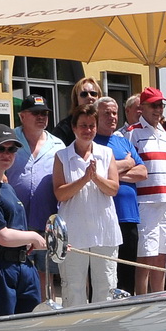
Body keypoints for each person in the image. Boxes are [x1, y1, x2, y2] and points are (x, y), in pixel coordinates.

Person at [0, 126, 47, 317]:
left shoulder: (6, 187)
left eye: (11, 149)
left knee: (29, 326)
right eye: (0, 149)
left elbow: (16, 232)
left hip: (23, 267)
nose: (7, 154)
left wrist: (44, 241)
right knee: (2, 329)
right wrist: (34, 236)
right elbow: (1, 236)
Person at [53, 105, 122, 304]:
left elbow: (113, 189)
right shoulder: (61, 156)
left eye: (92, 126)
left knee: (106, 286)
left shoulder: (106, 153)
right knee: (73, 287)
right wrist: (84, 179)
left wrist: (95, 178)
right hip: (74, 232)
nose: (88, 130)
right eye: (83, 126)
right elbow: (60, 193)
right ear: (74, 128)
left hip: (104, 231)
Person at [9, 96, 66, 303]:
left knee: (45, 272)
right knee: (16, 271)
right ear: (22, 116)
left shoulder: (58, 144)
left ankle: (43, 313)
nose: (41, 117)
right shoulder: (9, 140)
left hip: (46, 221)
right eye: (36, 113)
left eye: (45, 113)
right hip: (15, 224)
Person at [94, 96, 145, 294]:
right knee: (104, 276)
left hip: (129, 216)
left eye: (114, 113)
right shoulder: (92, 142)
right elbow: (94, 172)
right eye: (106, 113)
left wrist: (112, 171)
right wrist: (126, 163)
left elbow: (143, 172)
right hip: (104, 217)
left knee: (127, 275)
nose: (112, 117)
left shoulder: (123, 142)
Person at [128, 87, 166, 294]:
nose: (158, 109)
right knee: (145, 255)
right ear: (142, 108)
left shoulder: (163, 133)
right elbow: (127, 164)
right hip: (144, 202)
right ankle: (142, 299)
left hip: (164, 202)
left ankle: (160, 298)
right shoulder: (133, 133)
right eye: (154, 105)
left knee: (162, 254)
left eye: (161, 105)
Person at [50, 77, 103, 145]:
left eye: (93, 94)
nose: (89, 97)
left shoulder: (104, 123)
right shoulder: (64, 128)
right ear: (76, 99)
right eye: (84, 94)